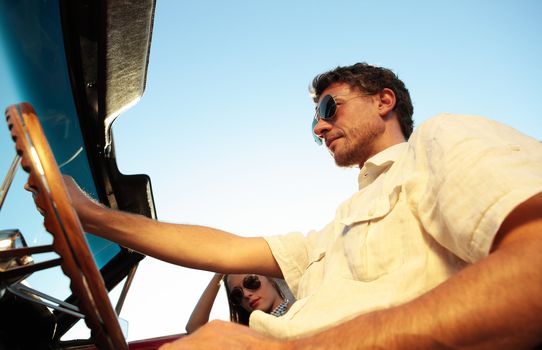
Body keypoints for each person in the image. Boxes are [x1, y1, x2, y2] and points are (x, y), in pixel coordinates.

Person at [57, 62, 542, 349]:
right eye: (315, 119)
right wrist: (93, 216)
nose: (318, 128)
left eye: (329, 108)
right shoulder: (334, 232)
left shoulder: (440, 141)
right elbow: (224, 250)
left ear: (384, 101)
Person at [185, 273, 292, 333]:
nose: (245, 294)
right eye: (237, 294)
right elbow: (195, 328)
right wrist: (219, 273)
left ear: (269, 278)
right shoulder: (245, 334)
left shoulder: (303, 307)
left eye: (250, 281)